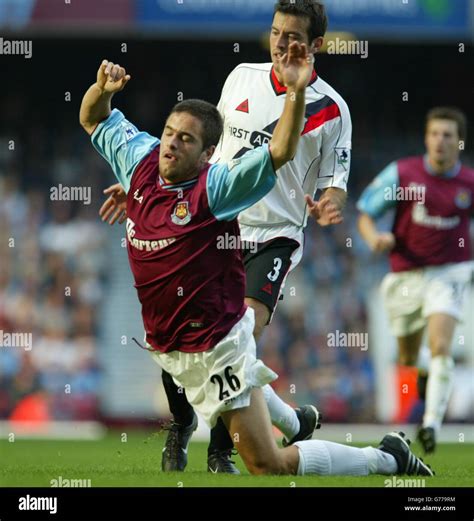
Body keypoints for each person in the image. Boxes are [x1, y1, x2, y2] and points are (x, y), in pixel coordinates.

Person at [80, 51, 433, 479]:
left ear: (209, 152)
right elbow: (94, 119)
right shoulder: (139, 160)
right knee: (250, 425)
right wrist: (102, 90)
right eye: (170, 133)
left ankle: (387, 457)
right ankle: (295, 420)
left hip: (215, 347)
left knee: (267, 464)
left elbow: (280, 150)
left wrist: (297, 92)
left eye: (186, 139)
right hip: (170, 346)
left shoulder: (219, 186)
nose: (172, 143)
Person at [99, 0, 351, 473]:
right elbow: (207, 152)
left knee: (241, 335)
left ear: (315, 45)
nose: (281, 43)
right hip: (216, 224)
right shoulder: (241, 76)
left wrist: (333, 200)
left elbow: (335, 178)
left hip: (275, 234)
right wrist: (147, 185)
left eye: (293, 36)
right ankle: (213, 423)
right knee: (184, 326)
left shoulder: (333, 110)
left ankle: (221, 449)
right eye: (276, 32)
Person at [357, 107, 474, 454]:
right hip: (406, 274)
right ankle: (424, 371)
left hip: (451, 272)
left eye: (448, 135)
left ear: (459, 141)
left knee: (441, 346)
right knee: (407, 356)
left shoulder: (468, 183)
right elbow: (366, 212)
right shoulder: (403, 174)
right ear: (426, 138)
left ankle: (431, 424)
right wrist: (374, 238)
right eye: (435, 133)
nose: (440, 141)